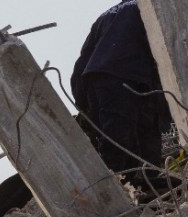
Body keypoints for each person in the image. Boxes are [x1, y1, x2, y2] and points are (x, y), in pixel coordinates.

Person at [71, 0, 171, 187]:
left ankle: (139, 186)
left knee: (122, 138)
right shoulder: (156, 6)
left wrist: (83, 103)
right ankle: (112, 189)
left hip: (99, 79)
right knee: (121, 142)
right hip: (127, 79)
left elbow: (83, 59)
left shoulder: (106, 14)